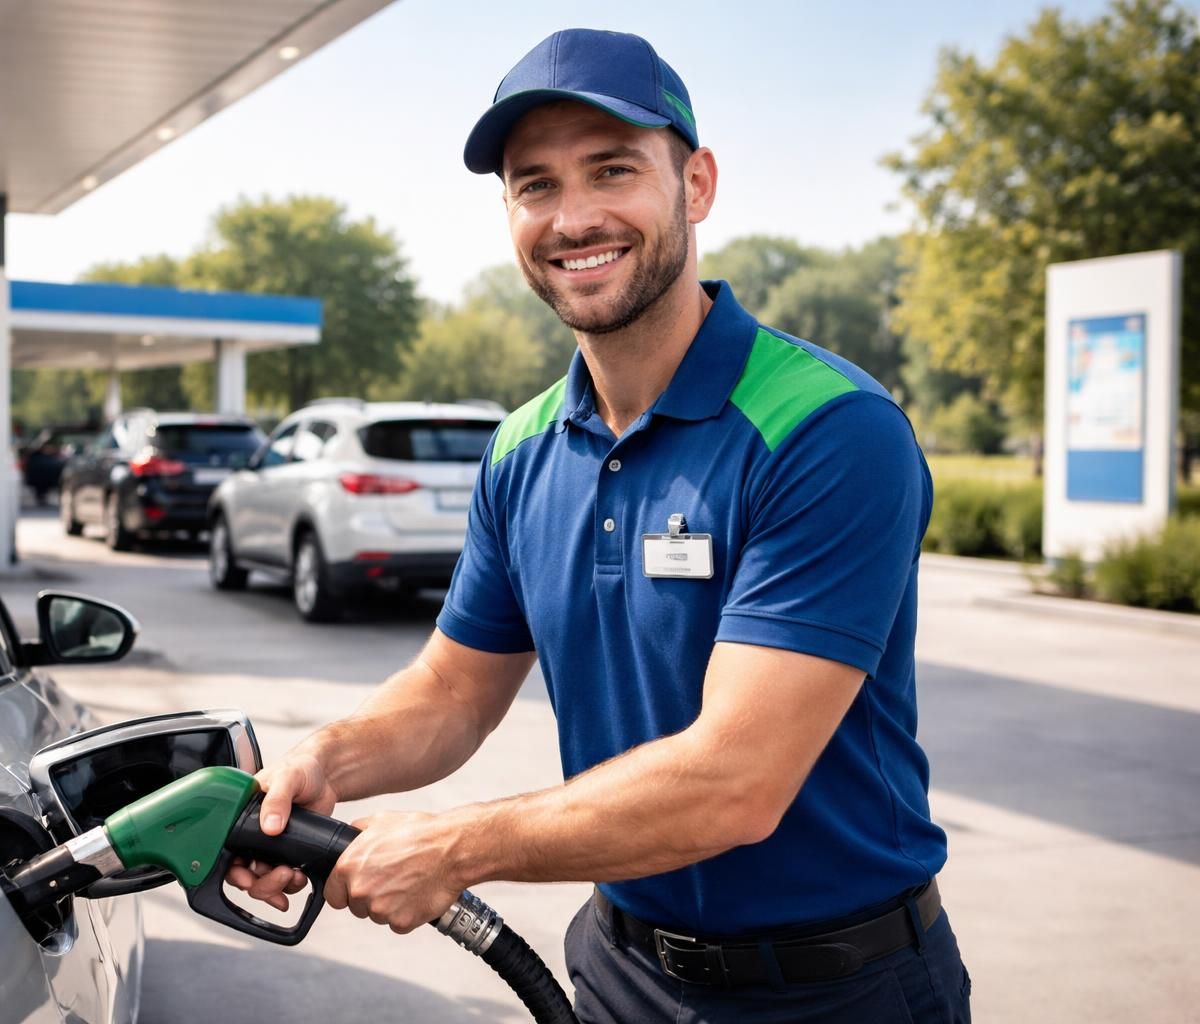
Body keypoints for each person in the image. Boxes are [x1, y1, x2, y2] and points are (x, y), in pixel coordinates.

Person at [229, 27, 969, 1023]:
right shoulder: (523, 447)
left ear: (695, 185)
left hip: (837, 990)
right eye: (534, 185)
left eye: (612, 170)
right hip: (619, 975)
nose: (572, 218)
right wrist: (325, 760)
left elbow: (735, 783)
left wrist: (453, 846)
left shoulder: (828, 430)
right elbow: (454, 690)